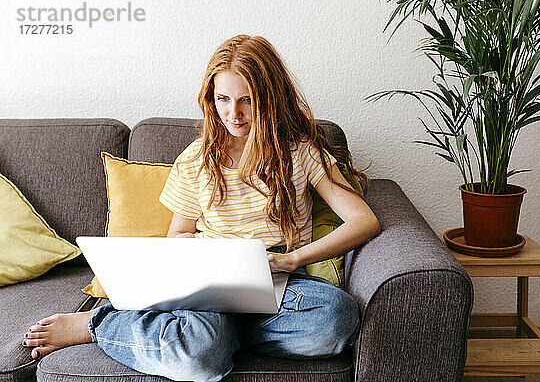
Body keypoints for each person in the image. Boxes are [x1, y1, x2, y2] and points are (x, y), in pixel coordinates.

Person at [22, 35, 381, 382]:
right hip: (213, 283)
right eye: (223, 99)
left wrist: (292, 260)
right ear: (211, 98)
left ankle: (215, 340)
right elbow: (178, 233)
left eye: (247, 100)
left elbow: (363, 221)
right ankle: (99, 323)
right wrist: (201, 257)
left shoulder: (300, 151)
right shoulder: (197, 159)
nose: (233, 114)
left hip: (280, 281)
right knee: (199, 359)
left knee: (336, 319)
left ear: (270, 98)